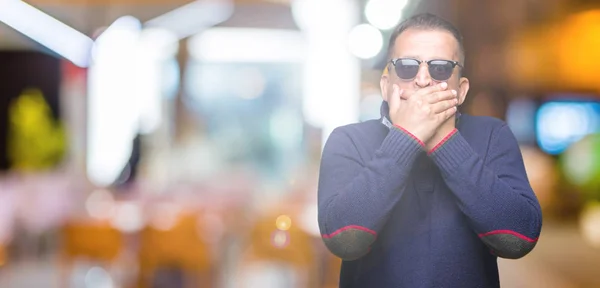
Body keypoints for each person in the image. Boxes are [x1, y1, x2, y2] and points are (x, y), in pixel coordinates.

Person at [317, 13, 542, 287]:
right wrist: (406, 138)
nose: (423, 80)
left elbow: (519, 239)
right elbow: (344, 240)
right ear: (386, 85)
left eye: (440, 68)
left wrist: (443, 140)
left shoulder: (493, 136)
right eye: (407, 67)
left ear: (461, 90)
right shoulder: (348, 140)